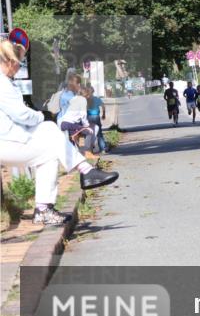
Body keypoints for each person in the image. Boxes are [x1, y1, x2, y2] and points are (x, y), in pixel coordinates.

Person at [0, 41, 118, 225]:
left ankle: (44, 209)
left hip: (10, 140)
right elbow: (21, 114)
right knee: (49, 133)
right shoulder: (2, 82)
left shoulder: (4, 81)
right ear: (9, 61)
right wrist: (42, 115)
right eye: (19, 63)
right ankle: (85, 171)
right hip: (7, 142)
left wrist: (42, 119)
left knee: (49, 147)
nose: (18, 67)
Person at [84, 85, 108, 153]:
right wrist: (103, 114)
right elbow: (103, 106)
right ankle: (103, 148)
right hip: (96, 117)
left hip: (88, 117)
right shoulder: (97, 99)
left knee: (89, 133)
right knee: (99, 133)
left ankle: (89, 149)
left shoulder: (85, 100)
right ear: (93, 91)